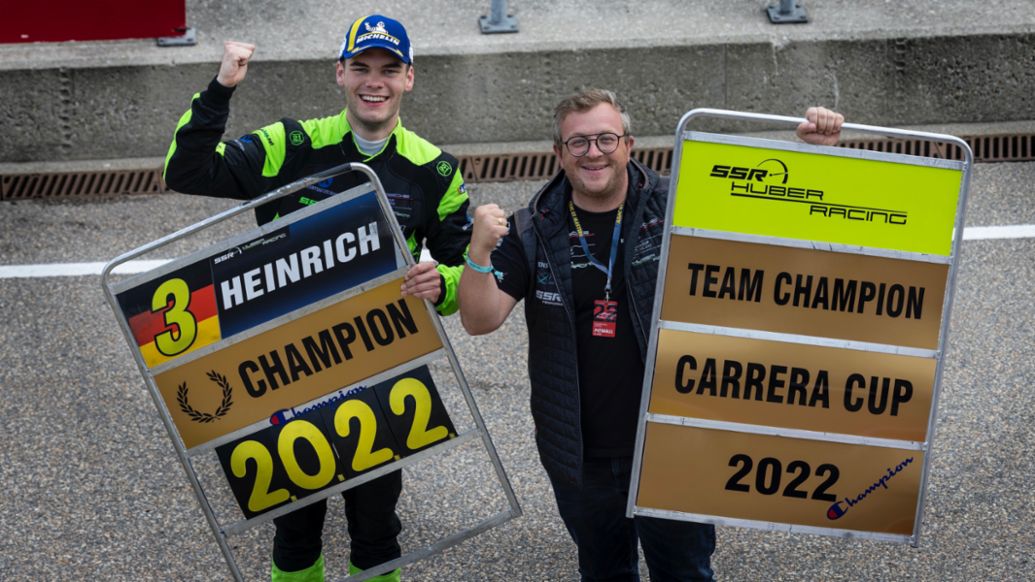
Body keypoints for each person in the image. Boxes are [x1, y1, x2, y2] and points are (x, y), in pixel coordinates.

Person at [458, 89, 844, 580]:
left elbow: (785, 225)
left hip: (675, 445)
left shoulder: (683, 201)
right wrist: (479, 253)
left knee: (683, 572)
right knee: (604, 573)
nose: (593, 152)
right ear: (558, 153)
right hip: (580, 457)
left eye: (605, 138)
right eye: (578, 143)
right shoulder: (533, 227)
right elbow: (480, 319)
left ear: (630, 144)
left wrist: (819, 154)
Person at [163, 14, 471, 582]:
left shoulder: (436, 169)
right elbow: (185, 170)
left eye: (388, 69)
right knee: (295, 523)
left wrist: (443, 283)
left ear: (409, 78)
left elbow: (460, 278)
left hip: (380, 364)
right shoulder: (291, 144)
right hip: (284, 369)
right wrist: (222, 85)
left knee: (378, 523)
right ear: (339, 73)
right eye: (360, 68)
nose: (373, 81)